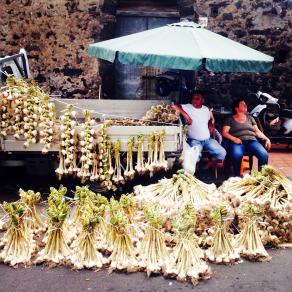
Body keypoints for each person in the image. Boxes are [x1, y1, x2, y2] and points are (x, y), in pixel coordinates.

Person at [173, 90, 226, 162]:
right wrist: (187, 116)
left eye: (197, 99)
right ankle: (196, 170)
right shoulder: (187, 107)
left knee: (222, 153)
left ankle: (209, 164)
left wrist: (211, 124)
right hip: (194, 140)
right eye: (193, 98)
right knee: (195, 156)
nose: (194, 100)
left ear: (202, 100)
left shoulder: (206, 109)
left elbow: (209, 120)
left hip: (207, 140)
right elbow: (174, 106)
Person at [222, 98, 271, 177]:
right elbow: (225, 133)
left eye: (245, 104)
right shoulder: (229, 119)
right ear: (236, 108)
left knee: (263, 154)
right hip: (238, 142)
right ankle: (237, 176)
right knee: (236, 155)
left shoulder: (250, 118)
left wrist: (266, 138)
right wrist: (234, 139)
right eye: (242, 104)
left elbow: (257, 132)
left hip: (252, 141)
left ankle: (262, 177)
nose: (245, 105)